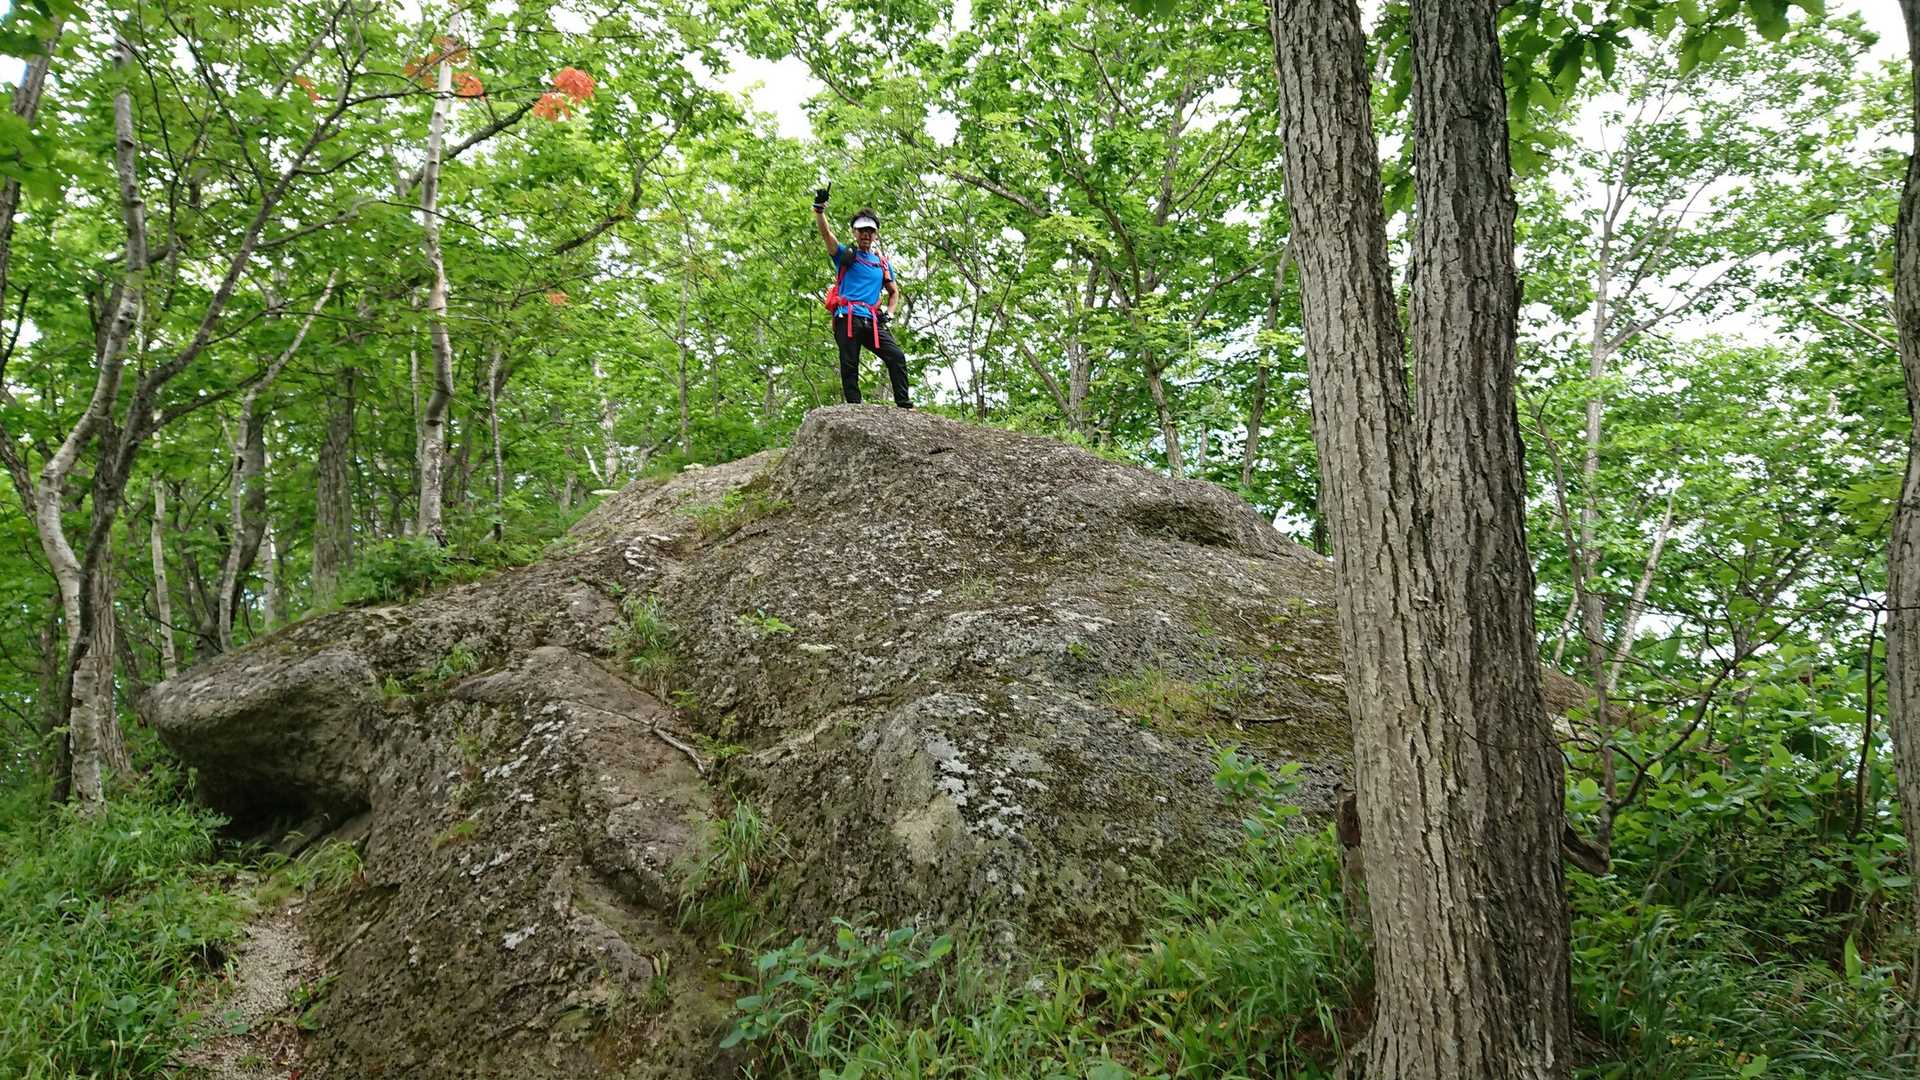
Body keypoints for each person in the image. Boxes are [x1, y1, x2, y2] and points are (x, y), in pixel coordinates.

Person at [813, 185, 911, 407]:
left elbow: (894, 292)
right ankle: (855, 408)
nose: (866, 234)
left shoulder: (882, 263)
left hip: (872, 319)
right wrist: (819, 210)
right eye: (861, 230)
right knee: (849, 364)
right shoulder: (845, 255)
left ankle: (904, 403)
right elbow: (826, 235)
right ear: (854, 233)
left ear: (875, 234)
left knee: (896, 356)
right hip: (847, 317)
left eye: (870, 231)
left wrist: (890, 313)